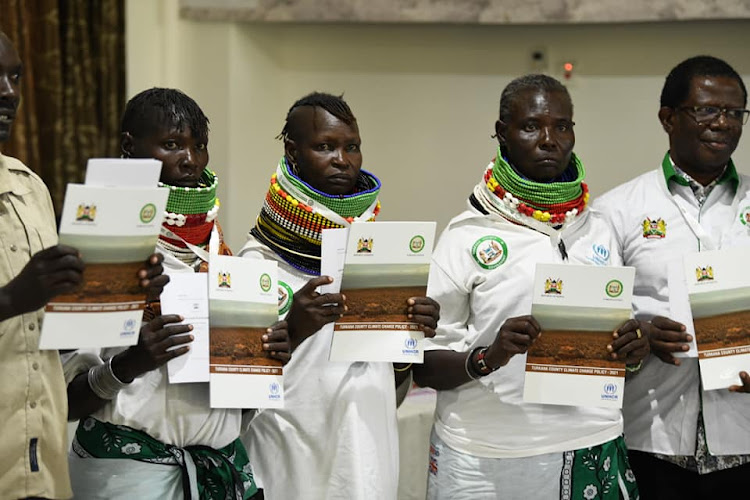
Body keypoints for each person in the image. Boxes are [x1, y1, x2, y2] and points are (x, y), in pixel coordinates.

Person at [411, 74, 648, 499]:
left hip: (589, 445)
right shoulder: (467, 235)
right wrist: (490, 356)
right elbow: (425, 364)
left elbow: (614, 352)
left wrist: (631, 352)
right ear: (502, 133)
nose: (549, 139)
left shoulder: (597, 231)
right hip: (485, 456)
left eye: (562, 126)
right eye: (531, 126)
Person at [63, 88, 290, 499]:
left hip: (216, 463)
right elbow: (65, 401)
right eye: (171, 144)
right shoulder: (101, 242)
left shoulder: (215, 244)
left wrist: (261, 355)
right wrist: (133, 361)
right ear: (130, 145)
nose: (190, 159)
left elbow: (238, 392)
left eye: (199, 146)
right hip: (126, 474)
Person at [238, 91, 440, 500]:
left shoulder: (384, 259)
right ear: (292, 153)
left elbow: (394, 389)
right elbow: (234, 403)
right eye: (325, 146)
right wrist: (294, 331)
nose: (342, 160)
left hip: (368, 462)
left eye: (352, 147)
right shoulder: (255, 264)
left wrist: (408, 342)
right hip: (287, 466)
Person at [0, 31, 166, 499]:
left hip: (37, 455)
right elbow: (19, 303)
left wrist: (121, 290)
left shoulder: (29, 188)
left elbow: (50, 333)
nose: (9, 92)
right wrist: (12, 298)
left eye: (15, 76)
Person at [593, 55, 750, 499]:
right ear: (667, 118)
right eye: (706, 110)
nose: (722, 123)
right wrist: (636, 333)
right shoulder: (617, 210)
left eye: (735, 112)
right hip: (650, 441)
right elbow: (589, 319)